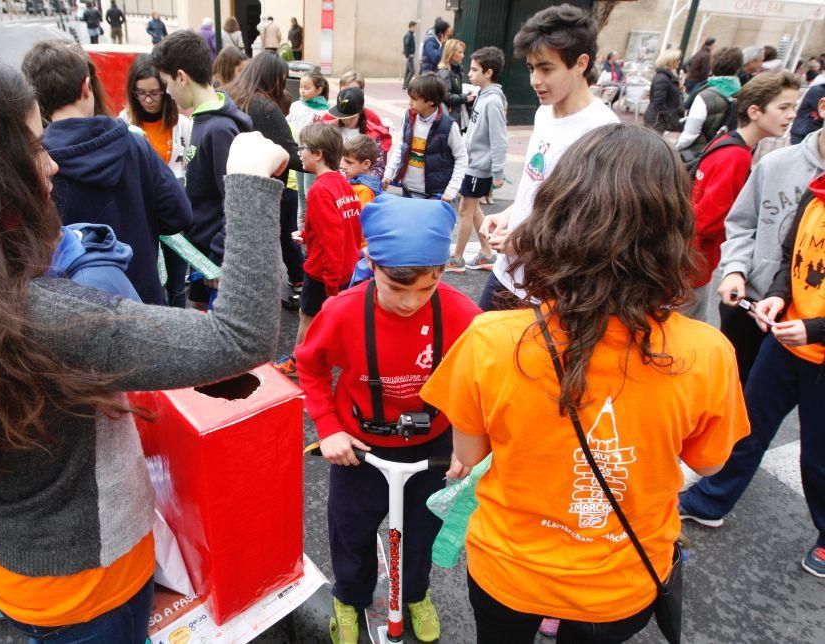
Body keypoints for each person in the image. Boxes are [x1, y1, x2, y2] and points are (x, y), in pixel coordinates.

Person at [0, 41, 290, 644]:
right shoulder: (49, 321)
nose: (51, 164)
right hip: (91, 589)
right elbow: (240, 335)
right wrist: (247, 183)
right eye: (32, 147)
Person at [421, 124, 750, 644]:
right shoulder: (708, 353)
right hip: (621, 578)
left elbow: (470, 450)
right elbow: (707, 462)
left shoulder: (489, 339)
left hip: (509, 569)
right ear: (671, 234)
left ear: (554, 218)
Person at [297, 196, 481, 644]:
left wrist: (468, 440)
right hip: (358, 447)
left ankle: (415, 593)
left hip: (433, 447)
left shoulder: (462, 315)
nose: (410, 301)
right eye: (397, 288)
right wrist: (328, 427)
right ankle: (350, 596)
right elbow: (310, 365)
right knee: (351, 531)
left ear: (441, 273)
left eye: (426, 287)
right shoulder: (342, 312)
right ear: (370, 262)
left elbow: (479, 383)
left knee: (422, 533)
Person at [681, 171, 825, 579]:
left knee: (819, 458)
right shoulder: (816, 188)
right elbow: (788, 256)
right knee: (746, 426)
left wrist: (814, 330)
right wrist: (779, 295)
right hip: (785, 342)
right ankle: (711, 501)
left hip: (813, 346)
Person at [22, 41, 193, 306]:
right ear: (86, 87)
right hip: (143, 305)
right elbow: (179, 214)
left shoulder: (35, 166)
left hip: (74, 314)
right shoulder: (135, 145)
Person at [479, 3, 619, 312]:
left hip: (550, 288)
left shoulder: (605, 132)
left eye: (546, 69)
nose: (535, 80)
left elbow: (592, 227)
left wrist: (528, 242)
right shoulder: (544, 113)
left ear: (580, 63)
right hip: (507, 271)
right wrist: (509, 215)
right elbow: (537, 184)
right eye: (531, 68)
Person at [717, 97, 825, 383]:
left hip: (811, 324)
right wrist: (735, 270)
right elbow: (741, 222)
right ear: (823, 107)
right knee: (733, 396)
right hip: (752, 303)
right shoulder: (776, 164)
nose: (790, 116)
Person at [684, 72, 800, 322]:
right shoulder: (736, 157)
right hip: (694, 264)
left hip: (691, 260)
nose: (791, 115)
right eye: (783, 107)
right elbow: (708, 220)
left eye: (793, 107)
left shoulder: (727, 142)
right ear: (755, 112)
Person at [151, 30, 253, 309]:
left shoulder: (219, 129)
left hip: (214, 260)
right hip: (201, 254)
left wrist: (218, 258)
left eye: (167, 83)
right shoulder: (203, 120)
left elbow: (236, 201)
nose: (168, 92)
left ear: (182, 77)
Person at [274, 122, 362, 376]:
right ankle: (324, 358)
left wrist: (331, 285)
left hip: (323, 273)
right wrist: (309, 235)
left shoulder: (319, 191)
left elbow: (332, 238)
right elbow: (348, 227)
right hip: (344, 268)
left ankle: (299, 362)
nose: (299, 153)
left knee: (307, 317)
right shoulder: (342, 183)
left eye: (303, 148)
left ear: (318, 154)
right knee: (331, 320)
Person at [227, 52, 306, 315]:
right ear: (273, 78)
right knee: (283, 239)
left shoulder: (233, 97)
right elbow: (291, 155)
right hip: (269, 189)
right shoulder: (264, 106)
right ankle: (298, 285)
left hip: (236, 187)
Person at [120, 54, 194, 308]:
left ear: (165, 91)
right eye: (141, 93)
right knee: (148, 280)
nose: (149, 100)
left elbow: (188, 168)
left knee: (176, 283)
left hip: (173, 212)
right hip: (140, 211)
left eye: (155, 93)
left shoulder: (183, 124)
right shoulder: (123, 123)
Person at [454, 46, 507, 274]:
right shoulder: (484, 96)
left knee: (466, 210)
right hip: (473, 163)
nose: (469, 73)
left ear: (489, 72)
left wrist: (498, 173)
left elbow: (499, 139)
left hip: (479, 166)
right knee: (472, 210)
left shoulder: (493, 101)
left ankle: (457, 259)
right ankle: (486, 253)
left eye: (474, 69)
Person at [382, 74, 467, 204]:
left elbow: (461, 157)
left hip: (434, 193)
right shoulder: (409, 117)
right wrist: (389, 172)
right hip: (408, 189)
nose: (409, 102)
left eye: (414, 99)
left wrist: (451, 190)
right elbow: (401, 146)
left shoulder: (449, 126)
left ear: (430, 101)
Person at [677, 47, 744, 154]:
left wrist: (676, 147)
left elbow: (690, 134)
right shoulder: (743, 94)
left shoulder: (704, 95)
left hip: (700, 152)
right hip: (726, 150)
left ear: (712, 66)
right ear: (738, 69)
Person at [287, 70, 331, 230]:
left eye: (307, 88)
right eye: (301, 87)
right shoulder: (296, 106)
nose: (302, 91)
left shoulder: (326, 111)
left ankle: (313, 228)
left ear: (319, 90)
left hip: (315, 158)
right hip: (300, 155)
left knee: (310, 193)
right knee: (300, 194)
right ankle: (302, 228)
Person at [325, 87, 392, 180]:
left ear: (360, 112)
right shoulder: (330, 130)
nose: (347, 121)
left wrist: (359, 182)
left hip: (360, 186)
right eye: (343, 117)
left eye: (351, 117)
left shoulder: (373, 134)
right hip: (333, 182)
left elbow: (378, 168)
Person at [644, 48, 684, 133]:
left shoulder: (667, 76)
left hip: (660, 118)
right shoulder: (662, 78)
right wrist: (670, 118)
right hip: (656, 119)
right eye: (677, 60)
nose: (679, 62)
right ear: (670, 61)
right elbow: (659, 102)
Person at [436, 39, 473, 129]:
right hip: (449, 115)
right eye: (459, 52)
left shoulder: (456, 71)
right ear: (451, 53)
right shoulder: (445, 72)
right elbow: (446, 96)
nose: (462, 56)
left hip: (454, 114)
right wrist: (464, 98)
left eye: (463, 52)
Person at [341, 135, 383, 208]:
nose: (343, 165)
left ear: (366, 164)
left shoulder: (364, 191)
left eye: (349, 162)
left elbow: (360, 218)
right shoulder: (353, 180)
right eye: (343, 160)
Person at [403, 21, 417, 91]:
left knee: (408, 71)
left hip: (410, 56)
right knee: (412, 71)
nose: (416, 28)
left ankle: (404, 85)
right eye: (415, 27)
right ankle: (406, 85)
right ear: (411, 26)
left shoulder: (411, 35)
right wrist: (406, 56)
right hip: (409, 56)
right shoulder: (408, 35)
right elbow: (406, 46)